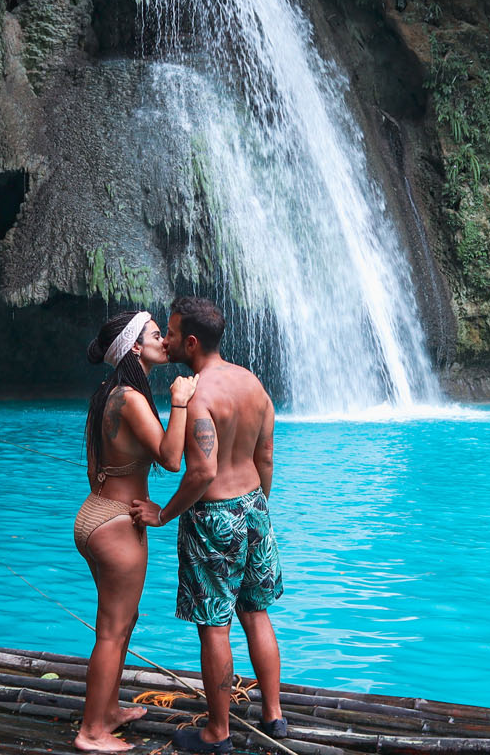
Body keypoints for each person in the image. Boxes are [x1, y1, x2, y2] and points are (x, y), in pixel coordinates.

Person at [130, 297, 286, 755]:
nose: (167, 340)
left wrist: (161, 514)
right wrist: (257, 509)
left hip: (214, 518)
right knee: (256, 612)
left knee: (214, 626)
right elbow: (267, 457)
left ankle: (217, 733)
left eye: (172, 333)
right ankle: (273, 714)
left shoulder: (198, 395)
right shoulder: (252, 383)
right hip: (256, 507)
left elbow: (200, 472)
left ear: (192, 341)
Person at [76, 310, 199, 752]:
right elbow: (170, 458)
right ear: (133, 348)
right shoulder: (130, 397)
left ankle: (108, 711)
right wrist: (181, 400)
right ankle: (92, 733)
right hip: (116, 526)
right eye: (153, 335)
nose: (163, 340)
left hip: (94, 514)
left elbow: (93, 471)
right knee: (112, 630)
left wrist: (112, 501)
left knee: (119, 622)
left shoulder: (105, 394)